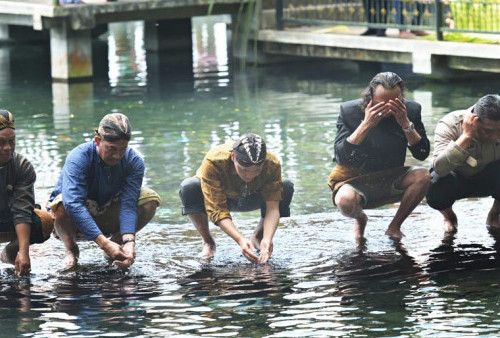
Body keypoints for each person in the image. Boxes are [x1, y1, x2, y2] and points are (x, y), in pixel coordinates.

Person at [48, 113, 160, 267]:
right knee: (61, 203)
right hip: (71, 219)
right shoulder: (78, 157)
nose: (117, 155)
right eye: (111, 149)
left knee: (150, 199)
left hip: (106, 210)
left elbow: (129, 204)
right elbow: (73, 204)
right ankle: (71, 249)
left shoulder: (134, 161)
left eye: (123, 149)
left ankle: (116, 243)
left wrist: (129, 242)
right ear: (97, 141)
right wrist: (103, 243)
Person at [328, 72, 431, 239]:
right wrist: (366, 124)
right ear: (370, 96)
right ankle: (360, 219)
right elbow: (342, 156)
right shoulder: (350, 112)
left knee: (423, 175)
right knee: (344, 201)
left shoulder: (411, 110)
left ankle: (394, 226)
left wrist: (405, 123)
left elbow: (421, 154)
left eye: (393, 103)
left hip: (391, 174)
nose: (388, 109)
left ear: (401, 97)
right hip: (355, 177)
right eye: (381, 103)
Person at [179, 133, 294, 263]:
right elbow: (217, 209)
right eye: (244, 170)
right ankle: (208, 242)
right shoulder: (214, 161)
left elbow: (272, 208)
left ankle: (258, 236)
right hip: (222, 199)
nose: (250, 175)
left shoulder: (271, 163)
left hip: (253, 196)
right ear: (233, 157)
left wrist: (267, 239)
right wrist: (240, 239)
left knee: (286, 185)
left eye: (257, 170)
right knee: (189, 186)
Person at [426, 94, 500, 233]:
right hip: (455, 178)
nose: (496, 137)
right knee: (434, 182)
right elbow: (440, 169)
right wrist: (466, 136)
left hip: (490, 176)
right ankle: (449, 216)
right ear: (475, 121)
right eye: (488, 131)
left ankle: (494, 215)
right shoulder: (450, 124)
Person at [0, 109, 54, 276]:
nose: (7, 148)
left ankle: (9, 253)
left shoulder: (22, 166)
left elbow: (22, 210)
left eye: (12, 141)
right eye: (1, 143)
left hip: (6, 217)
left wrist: (23, 252)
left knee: (44, 221)